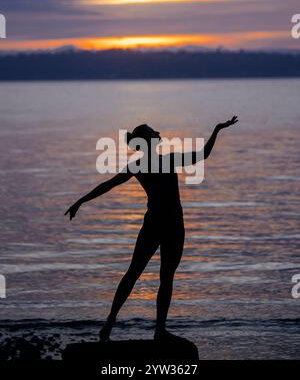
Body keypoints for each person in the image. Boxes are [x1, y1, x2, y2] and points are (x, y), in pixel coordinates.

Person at [65, 116, 238, 341]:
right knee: (148, 275)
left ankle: (134, 327)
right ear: (147, 141)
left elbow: (108, 184)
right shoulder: (163, 160)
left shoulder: (146, 163)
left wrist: (80, 201)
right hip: (166, 224)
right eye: (154, 132)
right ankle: (127, 326)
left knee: (148, 275)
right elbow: (204, 154)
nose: (159, 133)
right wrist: (217, 130)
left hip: (164, 224)